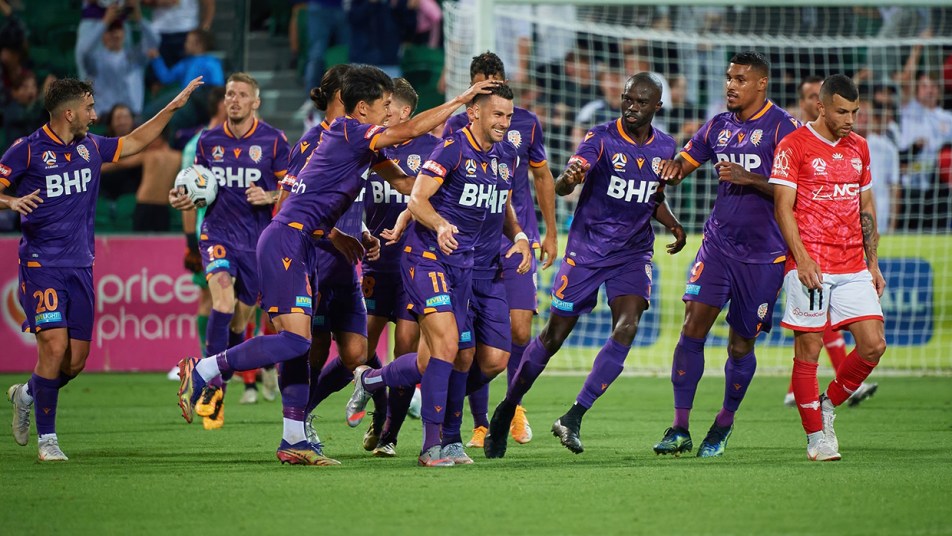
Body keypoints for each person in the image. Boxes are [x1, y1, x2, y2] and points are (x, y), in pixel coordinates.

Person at [173, 66, 499, 465]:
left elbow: (403, 184)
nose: (389, 112)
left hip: (306, 242)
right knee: (298, 343)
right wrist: (461, 101)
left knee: (312, 347)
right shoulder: (349, 131)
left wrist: (444, 189)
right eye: (384, 105)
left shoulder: (361, 143)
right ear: (362, 108)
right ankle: (204, 369)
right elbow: (409, 130)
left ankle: (294, 440)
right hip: (288, 241)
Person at [484, 73, 685, 458]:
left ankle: (574, 416)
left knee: (628, 326)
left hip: (632, 253)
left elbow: (652, 196)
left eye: (641, 102)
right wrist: (569, 179)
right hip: (588, 251)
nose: (631, 107)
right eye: (627, 99)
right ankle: (508, 406)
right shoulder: (601, 138)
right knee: (553, 337)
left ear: (657, 107)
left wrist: (673, 224)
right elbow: (565, 182)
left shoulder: (665, 145)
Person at [3, 76, 203, 461]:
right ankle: (48, 441)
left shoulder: (91, 147)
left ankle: (26, 394)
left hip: (81, 266)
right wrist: (10, 202)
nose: (95, 115)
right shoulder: (26, 150)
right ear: (69, 113)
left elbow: (136, 141)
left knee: (75, 362)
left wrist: (173, 107)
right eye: (89, 108)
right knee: (54, 347)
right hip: (42, 265)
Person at [347, 82, 530, 467]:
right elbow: (417, 198)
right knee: (448, 348)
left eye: (509, 116)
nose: (504, 122)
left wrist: (520, 236)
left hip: (470, 266)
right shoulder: (451, 147)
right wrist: (440, 224)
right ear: (474, 113)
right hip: (428, 257)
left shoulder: (507, 155)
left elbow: (502, 204)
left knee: (467, 359)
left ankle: (373, 380)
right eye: (497, 114)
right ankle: (435, 444)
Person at [654, 51, 800, 458]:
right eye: (728, 78)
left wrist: (750, 178)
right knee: (691, 327)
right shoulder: (718, 126)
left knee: (740, 346)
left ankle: (723, 423)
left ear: (761, 83)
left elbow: (799, 192)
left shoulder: (784, 128)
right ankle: (679, 427)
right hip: (718, 244)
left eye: (740, 79)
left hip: (765, 255)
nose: (731, 85)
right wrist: (669, 169)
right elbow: (683, 163)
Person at [442, 51, 558, 448]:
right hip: (471, 248)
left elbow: (542, 176)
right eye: (480, 87)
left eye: (494, 85)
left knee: (520, 330)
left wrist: (549, 233)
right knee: (472, 344)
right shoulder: (457, 128)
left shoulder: (525, 124)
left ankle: (512, 406)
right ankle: (478, 423)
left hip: (515, 241)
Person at [769, 74, 887, 461]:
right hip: (811, 263)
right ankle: (816, 438)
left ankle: (828, 404)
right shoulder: (793, 145)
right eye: (842, 112)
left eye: (855, 111)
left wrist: (873, 263)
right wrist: (801, 258)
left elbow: (865, 207)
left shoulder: (860, 148)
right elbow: (782, 207)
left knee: (873, 345)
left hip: (852, 263)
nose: (850, 119)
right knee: (809, 348)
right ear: (821, 107)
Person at [173, 72, 290, 429]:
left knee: (240, 323)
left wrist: (270, 196)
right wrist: (181, 197)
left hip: (256, 241)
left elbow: (292, 189)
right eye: (229, 94)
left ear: (256, 102)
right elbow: (195, 185)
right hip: (217, 234)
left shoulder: (273, 141)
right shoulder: (208, 141)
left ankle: (221, 371)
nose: (234, 100)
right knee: (222, 303)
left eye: (241, 94)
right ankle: (212, 389)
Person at [360, 78, 436, 457]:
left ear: (404, 112)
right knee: (359, 348)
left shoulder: (432, 149)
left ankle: (389, 433)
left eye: (388, 104)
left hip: (412, 264)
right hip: (375, 261)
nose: (383, 109)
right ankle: (378, 404)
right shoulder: (370, 145)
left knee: (406, 348)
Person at [176, 86, 226, 428]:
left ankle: (212, 368)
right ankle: (208, 366)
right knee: (212, 300)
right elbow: (185, 193)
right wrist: (189, 243)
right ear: (221, 105)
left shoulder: (246, 141)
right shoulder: (197, 145)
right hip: (210, 238)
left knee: (242, 308)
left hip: (245, 237)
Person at [75, 0, 160, 116]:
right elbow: (83, 51)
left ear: (124, 33)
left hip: (130, 116)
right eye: (110, 31)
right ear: (103, 36)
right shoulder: (95, 60)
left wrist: (139, 18)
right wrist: (105, 22)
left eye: (118, 30)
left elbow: (155, 41)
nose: (115, 34)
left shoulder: (133, 57)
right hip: (104, 117)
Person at [149, 29, 225, 90]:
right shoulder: (185, 63)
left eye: (187, 41)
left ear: (198, 44)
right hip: (186, 102)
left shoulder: (212, 63)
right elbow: (166, 78)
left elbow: (217, 86)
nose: (185, 45)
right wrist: (156, 59)